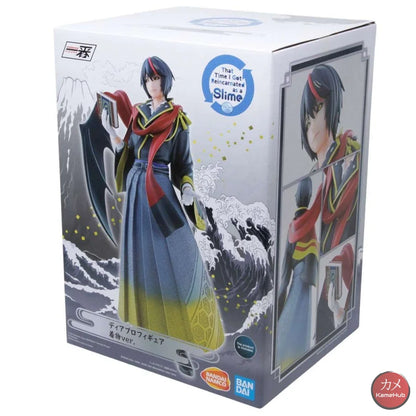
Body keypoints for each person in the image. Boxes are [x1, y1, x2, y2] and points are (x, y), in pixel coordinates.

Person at [91, 56, 224, 349]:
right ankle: (144, 319)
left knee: (177, 248)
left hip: (160, 188)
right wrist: (111, 132)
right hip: (137, 188)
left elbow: (184, 165)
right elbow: (127, 151)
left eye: (156, 77)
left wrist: (187, 188)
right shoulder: (137, 115)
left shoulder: (178, 120)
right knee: (139, 250)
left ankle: (187, 326)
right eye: (148, 79)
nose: (152, 84)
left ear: (166, 80)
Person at [300, 64, 360, 253]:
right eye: (307, 117)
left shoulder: (351, 159)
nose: (311, 123)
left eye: (317, 108)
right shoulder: (311, 179)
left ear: (332, 106)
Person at [276, 177, 320, 372]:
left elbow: (286, 269)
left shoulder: (297, 225)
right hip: (303, 281)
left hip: (298, 281)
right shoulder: (309, 223)